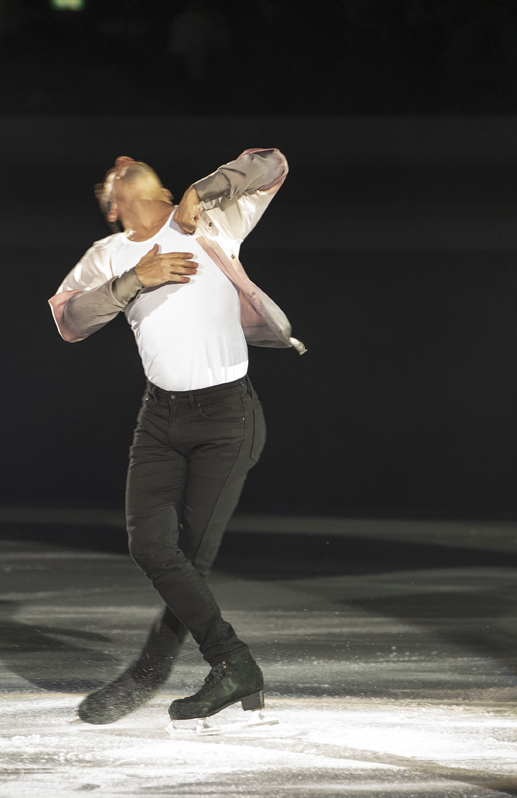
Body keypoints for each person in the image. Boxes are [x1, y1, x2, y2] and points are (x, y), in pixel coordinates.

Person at [48, 148, 304, 726]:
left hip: (226, 418)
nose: (122, 158)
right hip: (159, 420)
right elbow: (69, 320)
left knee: (190, 557)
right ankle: (232, 665)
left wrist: (206, 189)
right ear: (113, 205)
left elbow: (274, 163)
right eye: (111, 171)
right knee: (151, 547)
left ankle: (189, 668)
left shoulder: (212, 218)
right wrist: (134, 280)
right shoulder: (108, 254)